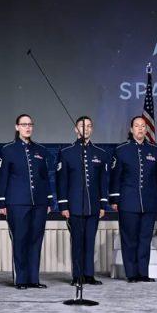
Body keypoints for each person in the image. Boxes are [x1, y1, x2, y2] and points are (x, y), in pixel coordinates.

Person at [0, 114, 55, 289]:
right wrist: (1, 203)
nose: (27, 127)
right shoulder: (8, 150)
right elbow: (2, 177)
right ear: (17, 127)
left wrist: (49, 201)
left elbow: (45, 178)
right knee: (20, 239)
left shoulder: (41, 151)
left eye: (30, 124)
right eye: (24, 124)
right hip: (16, 202)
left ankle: (33, 279)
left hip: (39, 202)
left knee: (36, 240)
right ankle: (21, 279)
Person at [110, 116, 157, 283]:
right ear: (131, 129)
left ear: (146, 129)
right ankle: (132, 274)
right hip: (128, 201)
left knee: (145, 238)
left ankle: (143, 273)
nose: (140, 129)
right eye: (137, 126)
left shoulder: (155, 151)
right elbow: (116, 177)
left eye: (143, 126)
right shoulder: (121, 150)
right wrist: (114, 199)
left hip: (149, 201)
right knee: (129, 239)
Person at [57, 115, 109, 287]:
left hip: (93, 206)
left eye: (88, 126)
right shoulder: (66, 152)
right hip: (74, 206)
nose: (85, 129)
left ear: (92, 129)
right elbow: (62, 181)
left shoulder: (100, 153)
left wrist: (102, 204)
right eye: (82, 126)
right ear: (75, 129)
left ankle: (89, 275)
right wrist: (63, 205)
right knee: (77, 241)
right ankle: (77, 275)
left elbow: (103, 181)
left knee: (90, 241)